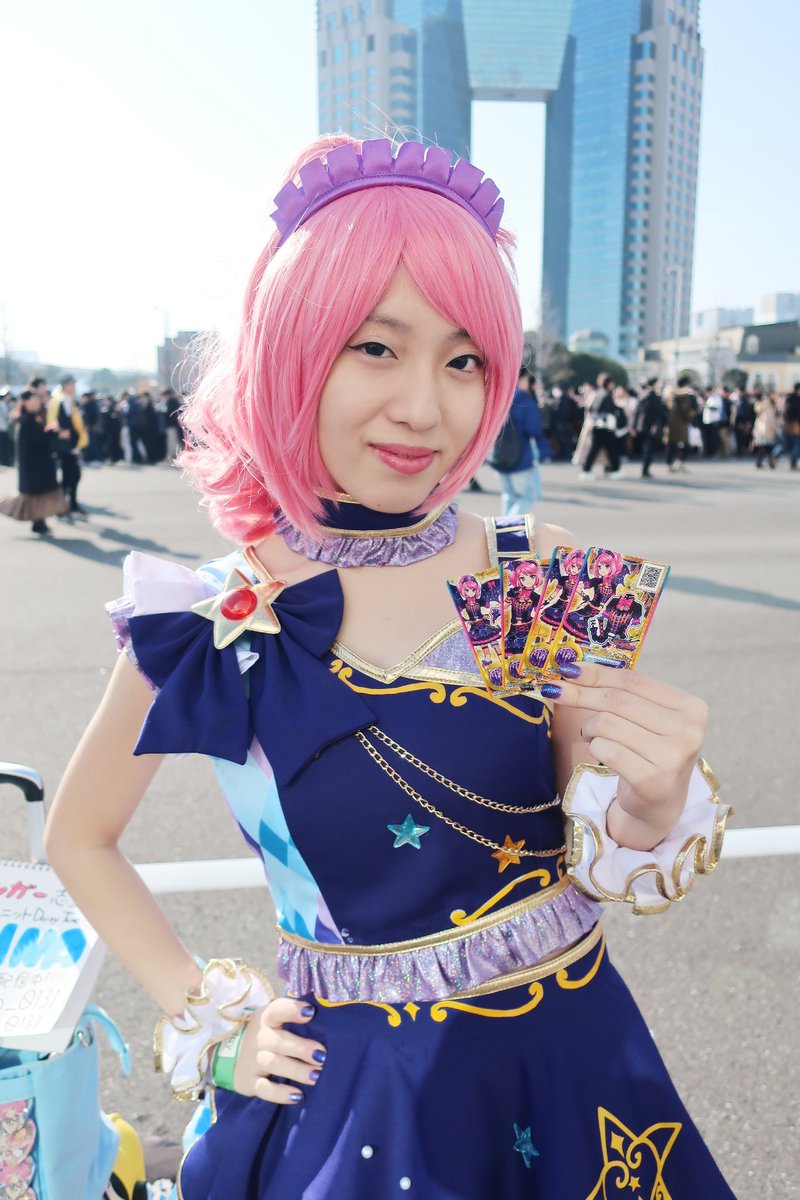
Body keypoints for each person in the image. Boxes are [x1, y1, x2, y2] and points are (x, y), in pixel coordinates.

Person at [44, 135, 734, 1199]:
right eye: (375, 346)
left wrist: (652, 797)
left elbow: (591, 833)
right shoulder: (209, 611)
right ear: (288, 351)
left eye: (464, 360)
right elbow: (78, 835)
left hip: (568, 1058)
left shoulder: (535, 566)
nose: (425, 406)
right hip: (361, 1092)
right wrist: (208, 1017)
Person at [0, 389, 67, 534]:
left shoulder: (31, 418)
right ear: (26, 402)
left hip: (36, 464)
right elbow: (38, 439)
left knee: (37, 496)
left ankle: (39, 522)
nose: (37, 403)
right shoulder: (27, 420)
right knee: (35, 496)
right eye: (34, 400)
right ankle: (38, 522)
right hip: (34, 465)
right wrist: (53, 432)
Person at [494, 365, 550, 515]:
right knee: (526, 496)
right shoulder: (525, 401)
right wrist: (545, 451)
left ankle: (502, 526)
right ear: (522, 379)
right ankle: (508, 526)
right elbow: (534, 429)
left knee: (508, 496)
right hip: (520, 455)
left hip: (499, 453)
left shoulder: (498, 397)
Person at [47, 374, 88, 514]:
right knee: (71, 475)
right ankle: (64, 506)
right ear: (65, 385)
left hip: (71, 443)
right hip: (65, 445)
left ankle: (70, 504)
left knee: (72, 475)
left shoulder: (67, 399)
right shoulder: (59, 399)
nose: (74, 386)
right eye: (72, 384)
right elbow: (53, 421)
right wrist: (60, 432)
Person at [578, 373, 622, 478]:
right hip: (605, 426)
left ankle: (588, 470)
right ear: (609, 383)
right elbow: (610, 410)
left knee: (597, 449)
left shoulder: (596, 393)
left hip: (596, 425)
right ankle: (613, 469)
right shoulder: (607, 395)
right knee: (608, 449)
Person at [664, 374, 697, 472]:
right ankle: (680, 463)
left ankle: (670, 464)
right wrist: (689, 417)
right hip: (682, 423)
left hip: (671, 423)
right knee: (685, 444)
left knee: (671, 444)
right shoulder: (686, 395)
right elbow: (687, 410)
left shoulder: (670, 394)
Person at [633, 377, 665, 478]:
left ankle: (645, 469)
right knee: (648, 448)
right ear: (654, 384)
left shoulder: (643, 395)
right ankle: (645, 470)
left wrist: (634, 425)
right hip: (651, 426)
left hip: (642, 425)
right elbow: (659, 412)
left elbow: (637, 412)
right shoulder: (654, 397)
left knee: (646, 447)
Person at [752, 390, 778, 468]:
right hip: (767, 430)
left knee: (764, 447)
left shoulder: (759, 405)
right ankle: (768, 462)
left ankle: (764, 462)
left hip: (759, 429)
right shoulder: (769, 407)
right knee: (767, 447)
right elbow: (771, 420)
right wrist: (775, 429)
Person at [782, 382, 800, 470]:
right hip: (794, 425)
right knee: (796, 445)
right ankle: (793, 463)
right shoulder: (796, 399)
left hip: (787, 424)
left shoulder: (787, 398)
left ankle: (774, 456)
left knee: (786, 445)